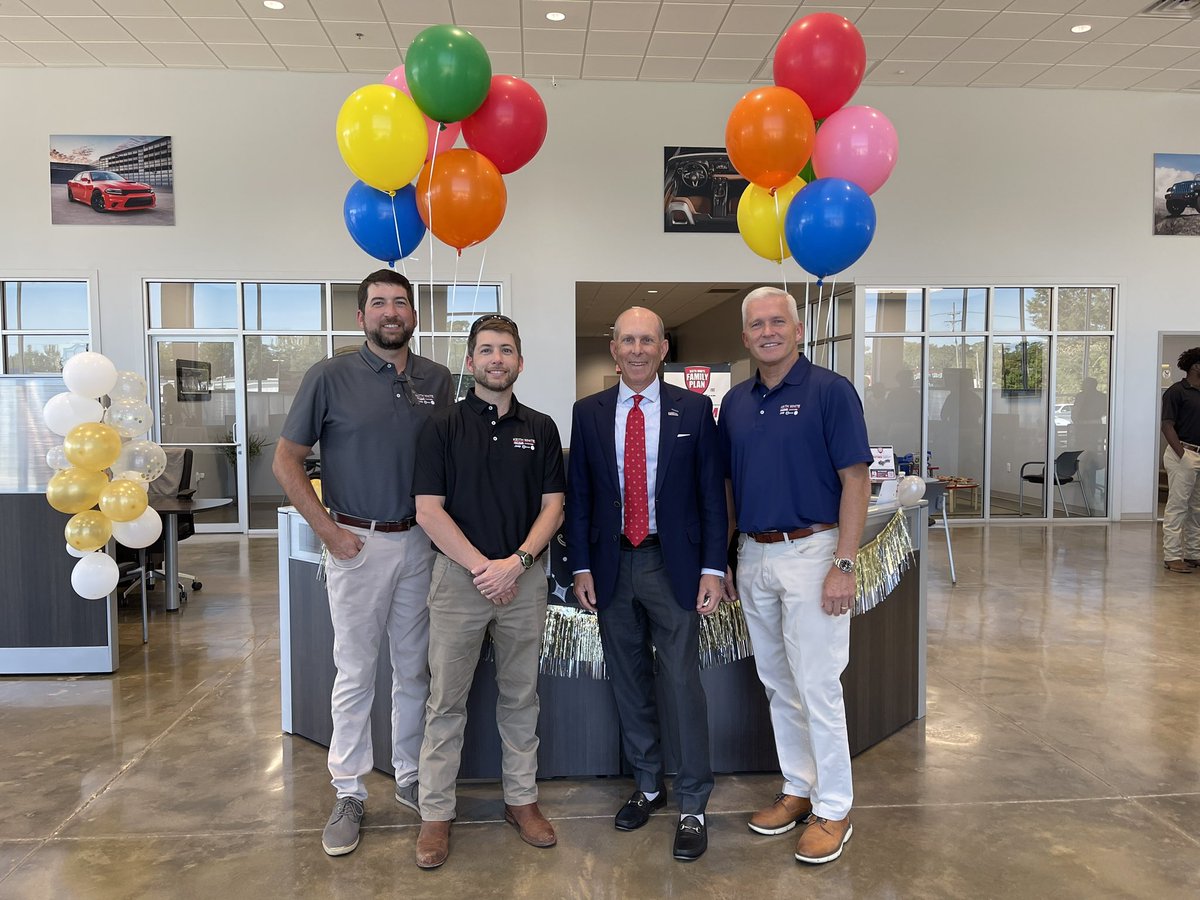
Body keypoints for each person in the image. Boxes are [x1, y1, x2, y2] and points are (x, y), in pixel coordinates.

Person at [272, 269, 452, 857]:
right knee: (354, 673)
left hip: (422, 545)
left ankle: (408, 775)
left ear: (415, 315)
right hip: (357, 543)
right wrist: (328, 532)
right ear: (361, 317)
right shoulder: (329, 376)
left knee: (413, 671)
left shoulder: (439, 379)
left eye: (401, 302)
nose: (391, 312)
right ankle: (348, 790)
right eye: (379, 304)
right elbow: (286, 462)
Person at [566, 307, 726, 862]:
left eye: (647, 340)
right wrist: (580, 566)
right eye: (627, 340)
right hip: (611, 567)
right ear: (613, 348)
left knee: (682, 684)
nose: (636, 349)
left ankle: (693, 802)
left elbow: (711, 495)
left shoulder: (696, 409)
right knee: (629, 682)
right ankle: (649, 786)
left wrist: (714, 567)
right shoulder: (587, 414)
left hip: (672, 565)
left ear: (663, 349)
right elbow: (581, 499)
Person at [718, 286, 871, 866]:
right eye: (756, 324)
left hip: (815, 551)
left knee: (818, 685)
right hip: (754, 555)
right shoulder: (735, 403)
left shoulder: (831, 392)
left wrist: (844, 564)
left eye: (777, 321)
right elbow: (730, 486)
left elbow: (856, 480)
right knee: (778, 683)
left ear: (799, 329)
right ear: (745, 336)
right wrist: (727, 555)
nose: (767, 331)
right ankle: (798, 788)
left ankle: (835, 807)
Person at [411, 314, 566, 869]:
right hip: (459, 581)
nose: (496, 359)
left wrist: (517, 563)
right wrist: (485, 569)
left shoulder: (542, 428)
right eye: (486, 350)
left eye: (506, 350)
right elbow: (428, 511)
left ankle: (521, 802)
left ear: (520, 362)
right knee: (445, 702)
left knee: (520, 697)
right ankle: (436, 814)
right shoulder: (443, 426)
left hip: (523, 580)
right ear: (470, 362)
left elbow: (554, 506)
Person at [1160, 347, 1200, 574]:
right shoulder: (1176, 392)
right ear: (1195, 366)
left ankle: (1194, 553)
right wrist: (1182, 455)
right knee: (1178, 506)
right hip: (1183, 454)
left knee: (1197, 508)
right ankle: (1172, 556)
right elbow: (1167, 425)